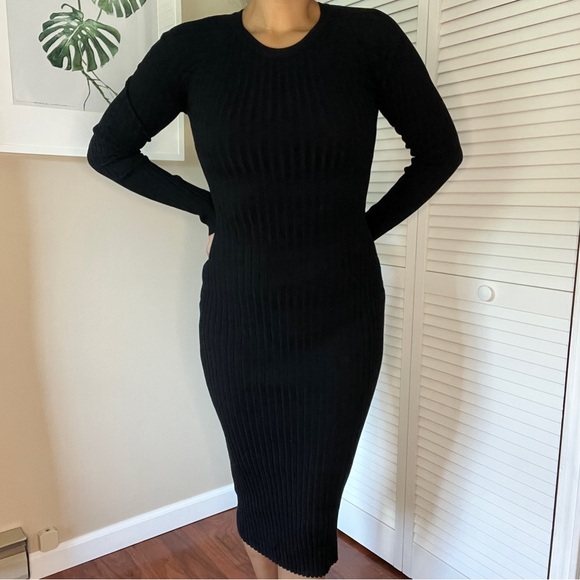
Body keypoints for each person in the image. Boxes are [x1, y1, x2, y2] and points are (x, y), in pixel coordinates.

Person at [86, 0, 463, 578]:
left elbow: (439, 152)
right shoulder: (192, 50)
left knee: (311, 501)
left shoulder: (370, 39)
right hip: (240, 316)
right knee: (258, 482)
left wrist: (359, 230)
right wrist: (212, 210)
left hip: (341, 314)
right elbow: (109, 149)